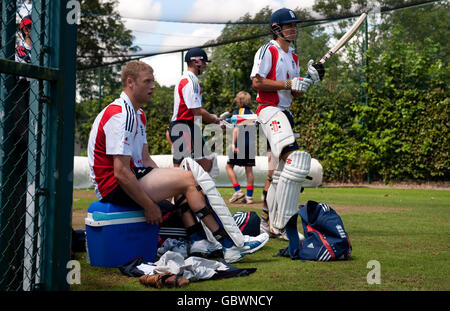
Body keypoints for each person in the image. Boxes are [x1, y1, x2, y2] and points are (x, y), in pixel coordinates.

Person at [88, 61, 268, 263]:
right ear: (130, 82)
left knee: (185, 178)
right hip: (112, 187)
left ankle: (202, 240)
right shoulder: (121, 114)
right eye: (147, 81)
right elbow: (120, 172)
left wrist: (168, 187)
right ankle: (229, 243)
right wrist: (149, 205)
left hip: (128, 177)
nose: (153, 86)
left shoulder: (138, 114)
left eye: (153, 81)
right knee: (188, 177)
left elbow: (145, 160)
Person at [250, 8, 325, 259]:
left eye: (295, 25)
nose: (293, 29)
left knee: (281, 172)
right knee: (295, 160)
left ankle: (269, 224)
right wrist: (289, 83)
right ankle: (282, 226)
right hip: (268, 110)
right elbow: (258, 83)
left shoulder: (293, 57)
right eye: (288, 25)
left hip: (285, 112)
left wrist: (308, 80)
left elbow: (294, 93)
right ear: (276, 28)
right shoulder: (268, 50)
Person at [169, 48, 219, 176]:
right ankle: (173, 195)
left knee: (207, 163)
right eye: (204, 62)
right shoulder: (190, 81)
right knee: (181, 168)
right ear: (196, 62)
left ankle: (197, 193)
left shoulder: (189, 79)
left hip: (188, 126)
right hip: (183, 126)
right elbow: (196, 111)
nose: (205, 65)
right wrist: (213, 119)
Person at [226, 91, 255, 204]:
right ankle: (249, 197)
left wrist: (233, 144)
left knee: (229, 166)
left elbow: (236, 129)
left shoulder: (238, 112)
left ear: (239, 100)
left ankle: (238, 190)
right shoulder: (252, 113)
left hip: (241, 143)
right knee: (249, 170)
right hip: (251, 144)